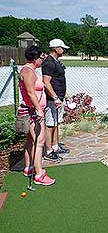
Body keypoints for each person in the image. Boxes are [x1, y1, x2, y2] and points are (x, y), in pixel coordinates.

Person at [18, 46, 56, 185]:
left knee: (30, 140)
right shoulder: (28, 71)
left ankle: (29, 167)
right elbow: (30, 92)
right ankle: (39, 175)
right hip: (32, 111)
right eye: (42, 57)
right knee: (39, 142)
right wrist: (39, 109)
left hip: (32, 110)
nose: (43, 60)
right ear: (35, 58)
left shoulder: (30, 70)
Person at [42, 39, 70, 162]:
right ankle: (48, 151)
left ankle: (55, 146)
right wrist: (55, 97)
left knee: (56, 123)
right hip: (52, 99)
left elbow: (59, 80)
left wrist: (65, 94)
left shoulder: (56, 61)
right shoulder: (48, 62)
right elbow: (46, 82)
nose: (63, 50)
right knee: (50, 124)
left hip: (59, 98)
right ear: (56, 48)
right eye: (62, 48)